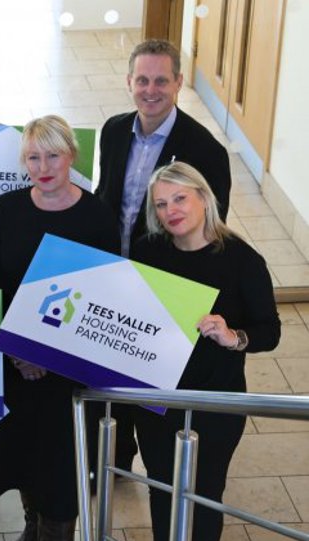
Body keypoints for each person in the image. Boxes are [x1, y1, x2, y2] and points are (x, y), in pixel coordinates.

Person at [0, 115, 119, 540]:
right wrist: (20, 354)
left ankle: (56, 531)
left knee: (62, 473)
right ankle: (32, 524)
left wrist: (49, 357)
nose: (43, 166)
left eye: (52, 154)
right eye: (33, 157)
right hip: (16, 370)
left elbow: (105, 298)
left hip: (70, 376)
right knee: (24, 462)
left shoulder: (97, 216)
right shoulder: (7, 209)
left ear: (71, 155)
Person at [95, 37, 231, 474]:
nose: (149, 90)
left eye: (160, 81)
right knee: (108, 376)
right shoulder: (114, 129)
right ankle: (114, 458)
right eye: (141, 80)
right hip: (113, 275)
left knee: (149, 390)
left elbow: (207, 232)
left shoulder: (206, 150)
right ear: (129, 82)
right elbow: (108, 197)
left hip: (161, 287)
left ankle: (147, 455)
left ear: (178, 83)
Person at [130, 161, 280, 541]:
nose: (171, 211)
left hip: (217, 403)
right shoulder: (148, 250)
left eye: (180, 198)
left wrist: (234, 337)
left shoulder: (243, 260)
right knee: (162, 488)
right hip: (157, 400)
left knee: (205, 495)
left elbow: (271, 331)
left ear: (204, 197)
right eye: (161, 204)